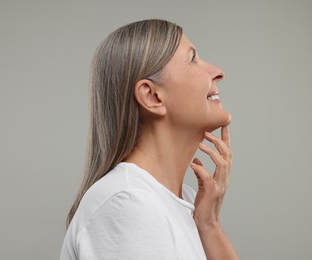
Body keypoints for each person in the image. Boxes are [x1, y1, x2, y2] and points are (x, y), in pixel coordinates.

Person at [60, 19, 238, 260]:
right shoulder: (129, 201)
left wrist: (210, 225)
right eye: (193, 58)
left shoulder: (179, 201)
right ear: (152, 96)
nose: (218, 72)